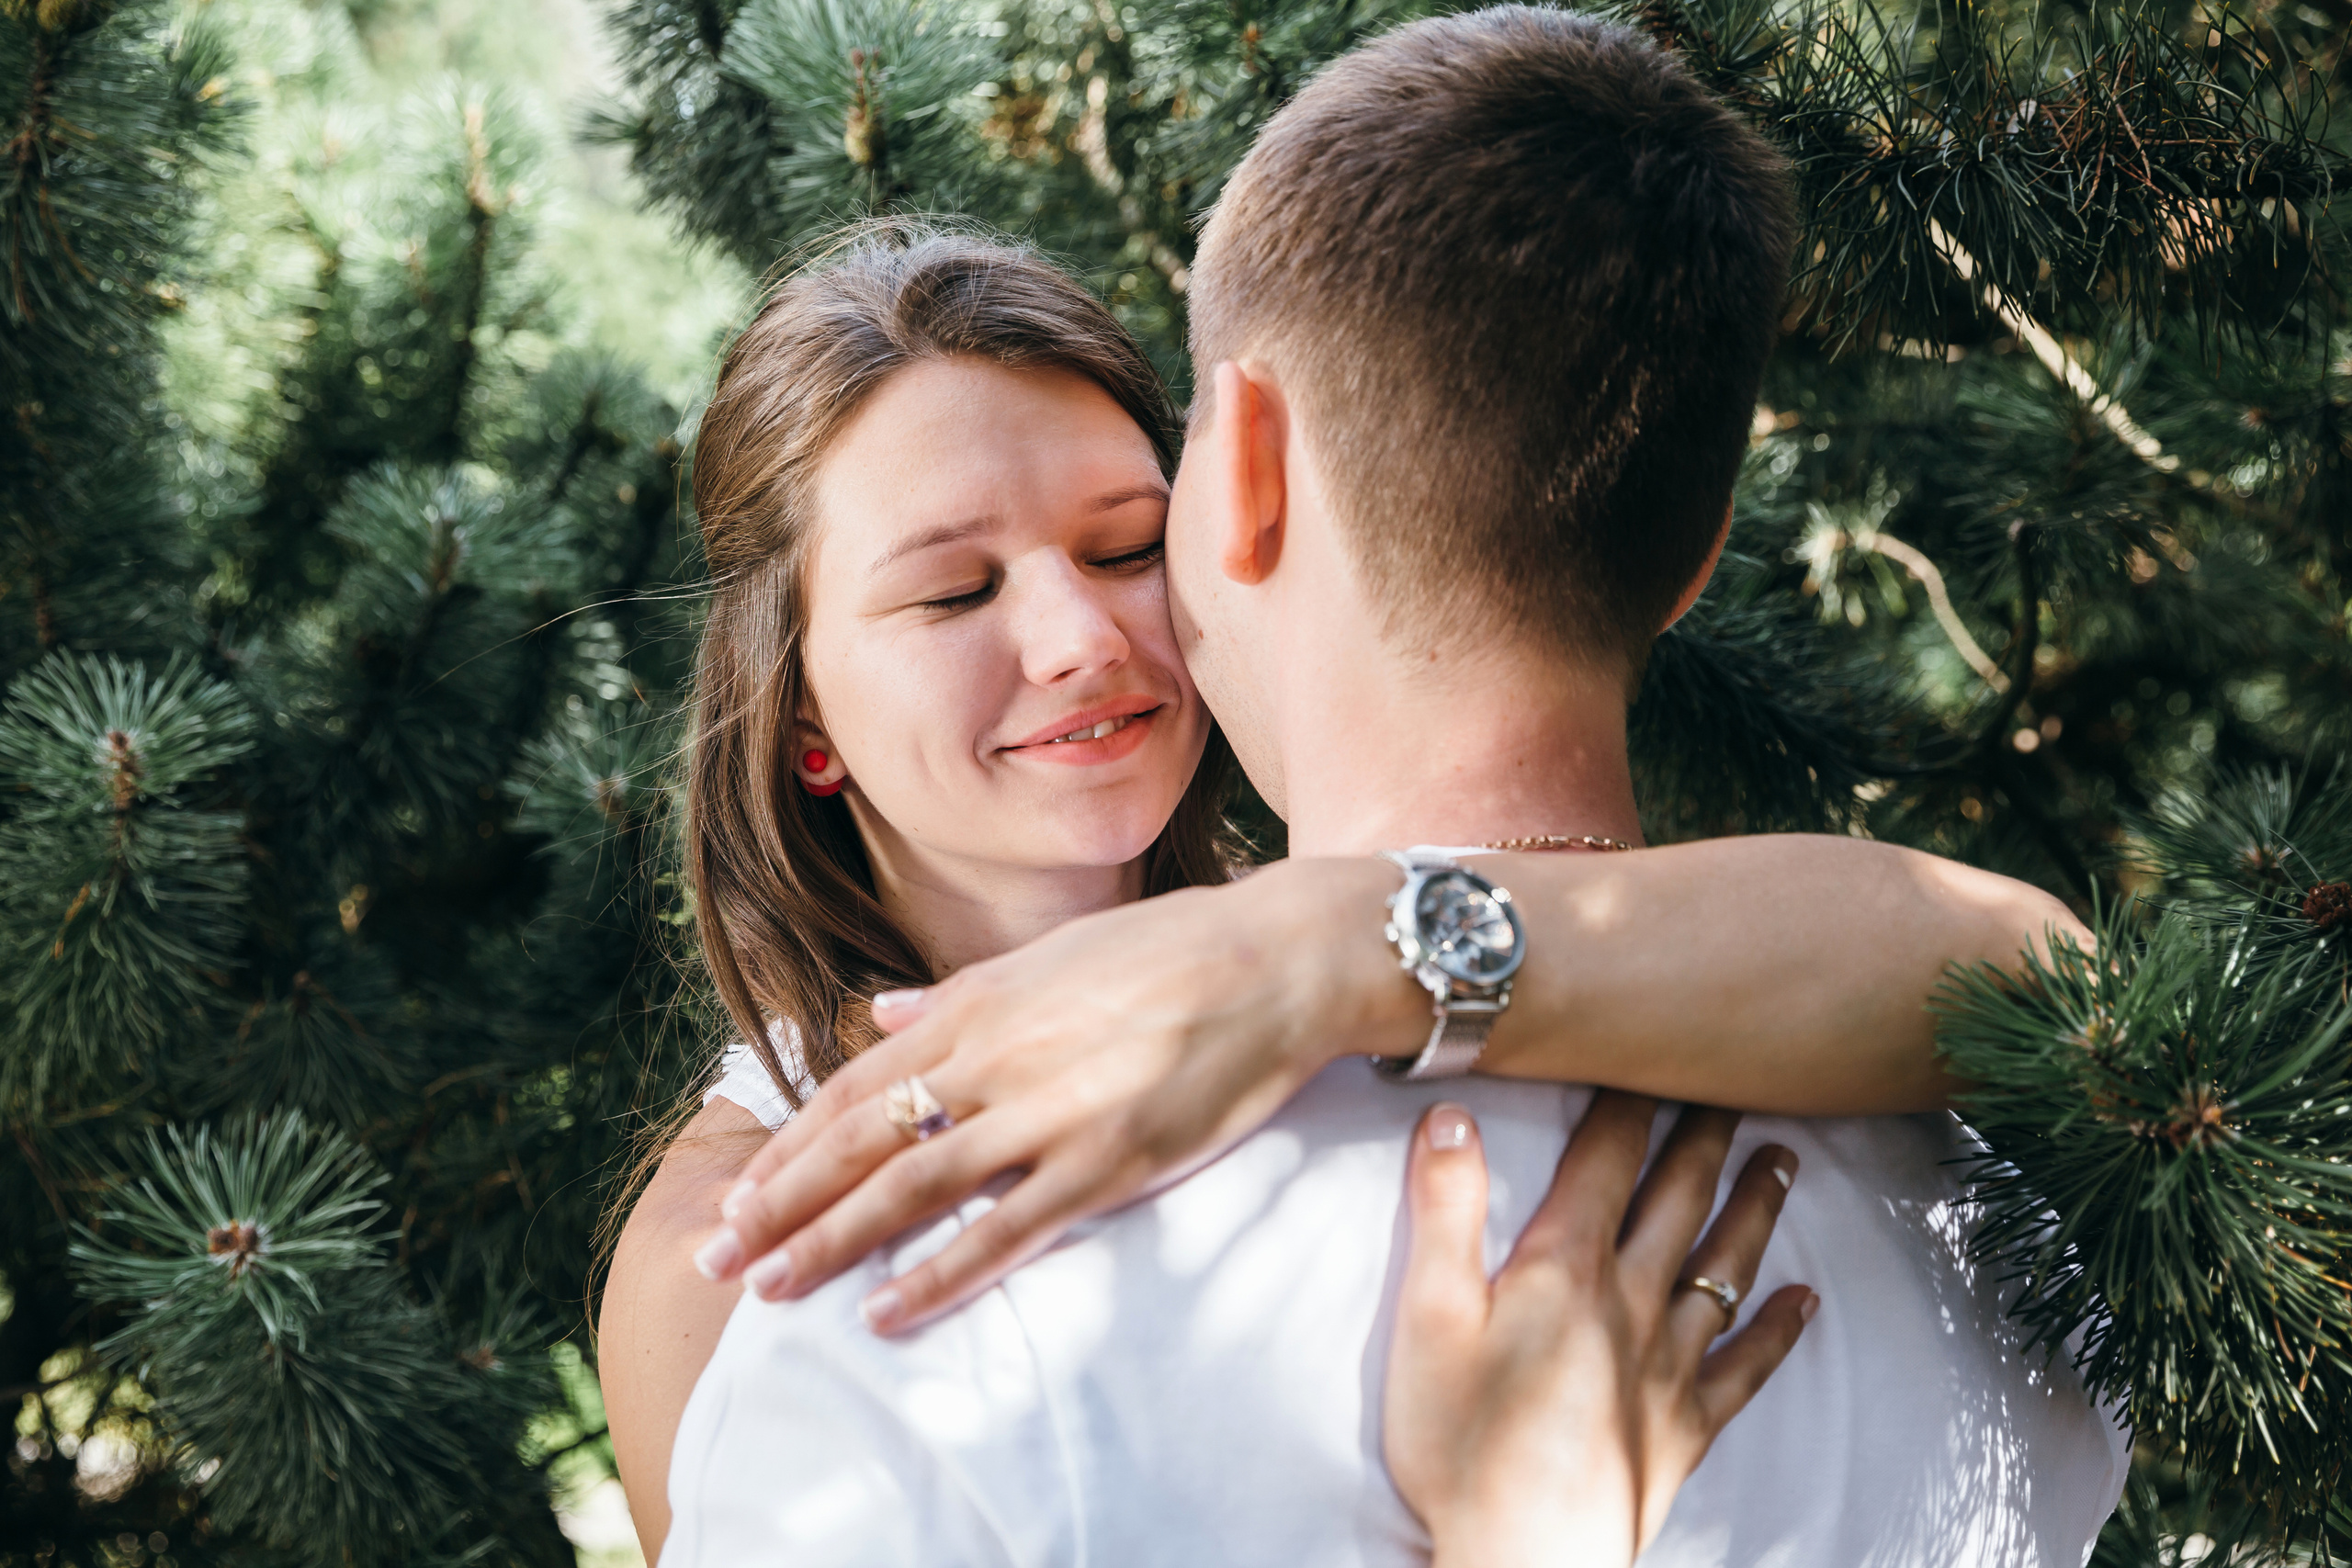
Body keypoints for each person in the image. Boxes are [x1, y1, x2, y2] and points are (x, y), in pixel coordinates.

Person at [611, 14, 2130, 1560]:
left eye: (1127, 543)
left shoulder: (922, 1324)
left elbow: (2010, 962)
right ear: (1699, 553)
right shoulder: (2026, 1230)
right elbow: (2059, 1003)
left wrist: (1337, 948)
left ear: (1236, 481)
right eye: (950, 595)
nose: (1081, 638)